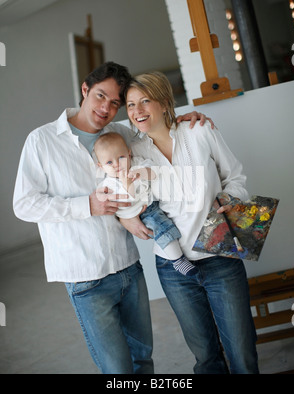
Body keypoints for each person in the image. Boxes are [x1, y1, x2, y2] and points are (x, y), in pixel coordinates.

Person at [13, 61, 212, 374]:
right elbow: (24, 205)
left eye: (115, 103)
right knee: (116, 369)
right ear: (85, 90)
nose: (106, 107)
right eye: (100, 96)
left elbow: (156, 131)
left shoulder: (120, 133)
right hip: (84, 275)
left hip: (129, 267)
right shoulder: (42, 141)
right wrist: (87, 206)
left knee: (143, 360)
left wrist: (185, 120)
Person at [120, 71, 259, 374]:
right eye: (130, 105)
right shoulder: (133, 151)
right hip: (173, 269)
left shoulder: (199, 131)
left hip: (220, 254)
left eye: (145, 101)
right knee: (205, 356)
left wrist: (230, 199)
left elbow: (235, 177)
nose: (137, 111)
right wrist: (125, 214)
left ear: (165, 102)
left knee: (242, 352)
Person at [94, 132, 197, 276]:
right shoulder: (108, 184)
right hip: (139, 213)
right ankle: (178, 260)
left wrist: (142, 173)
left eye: (121, 157)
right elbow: (127, 200)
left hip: (151, 204)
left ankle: (182, 253)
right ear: (101, 166)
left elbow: (154, 173)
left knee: (172, 220)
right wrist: (127, 183)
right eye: (109, 163)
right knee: (162, 228)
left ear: (129, 154)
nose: (117, 165)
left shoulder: (137, 164)